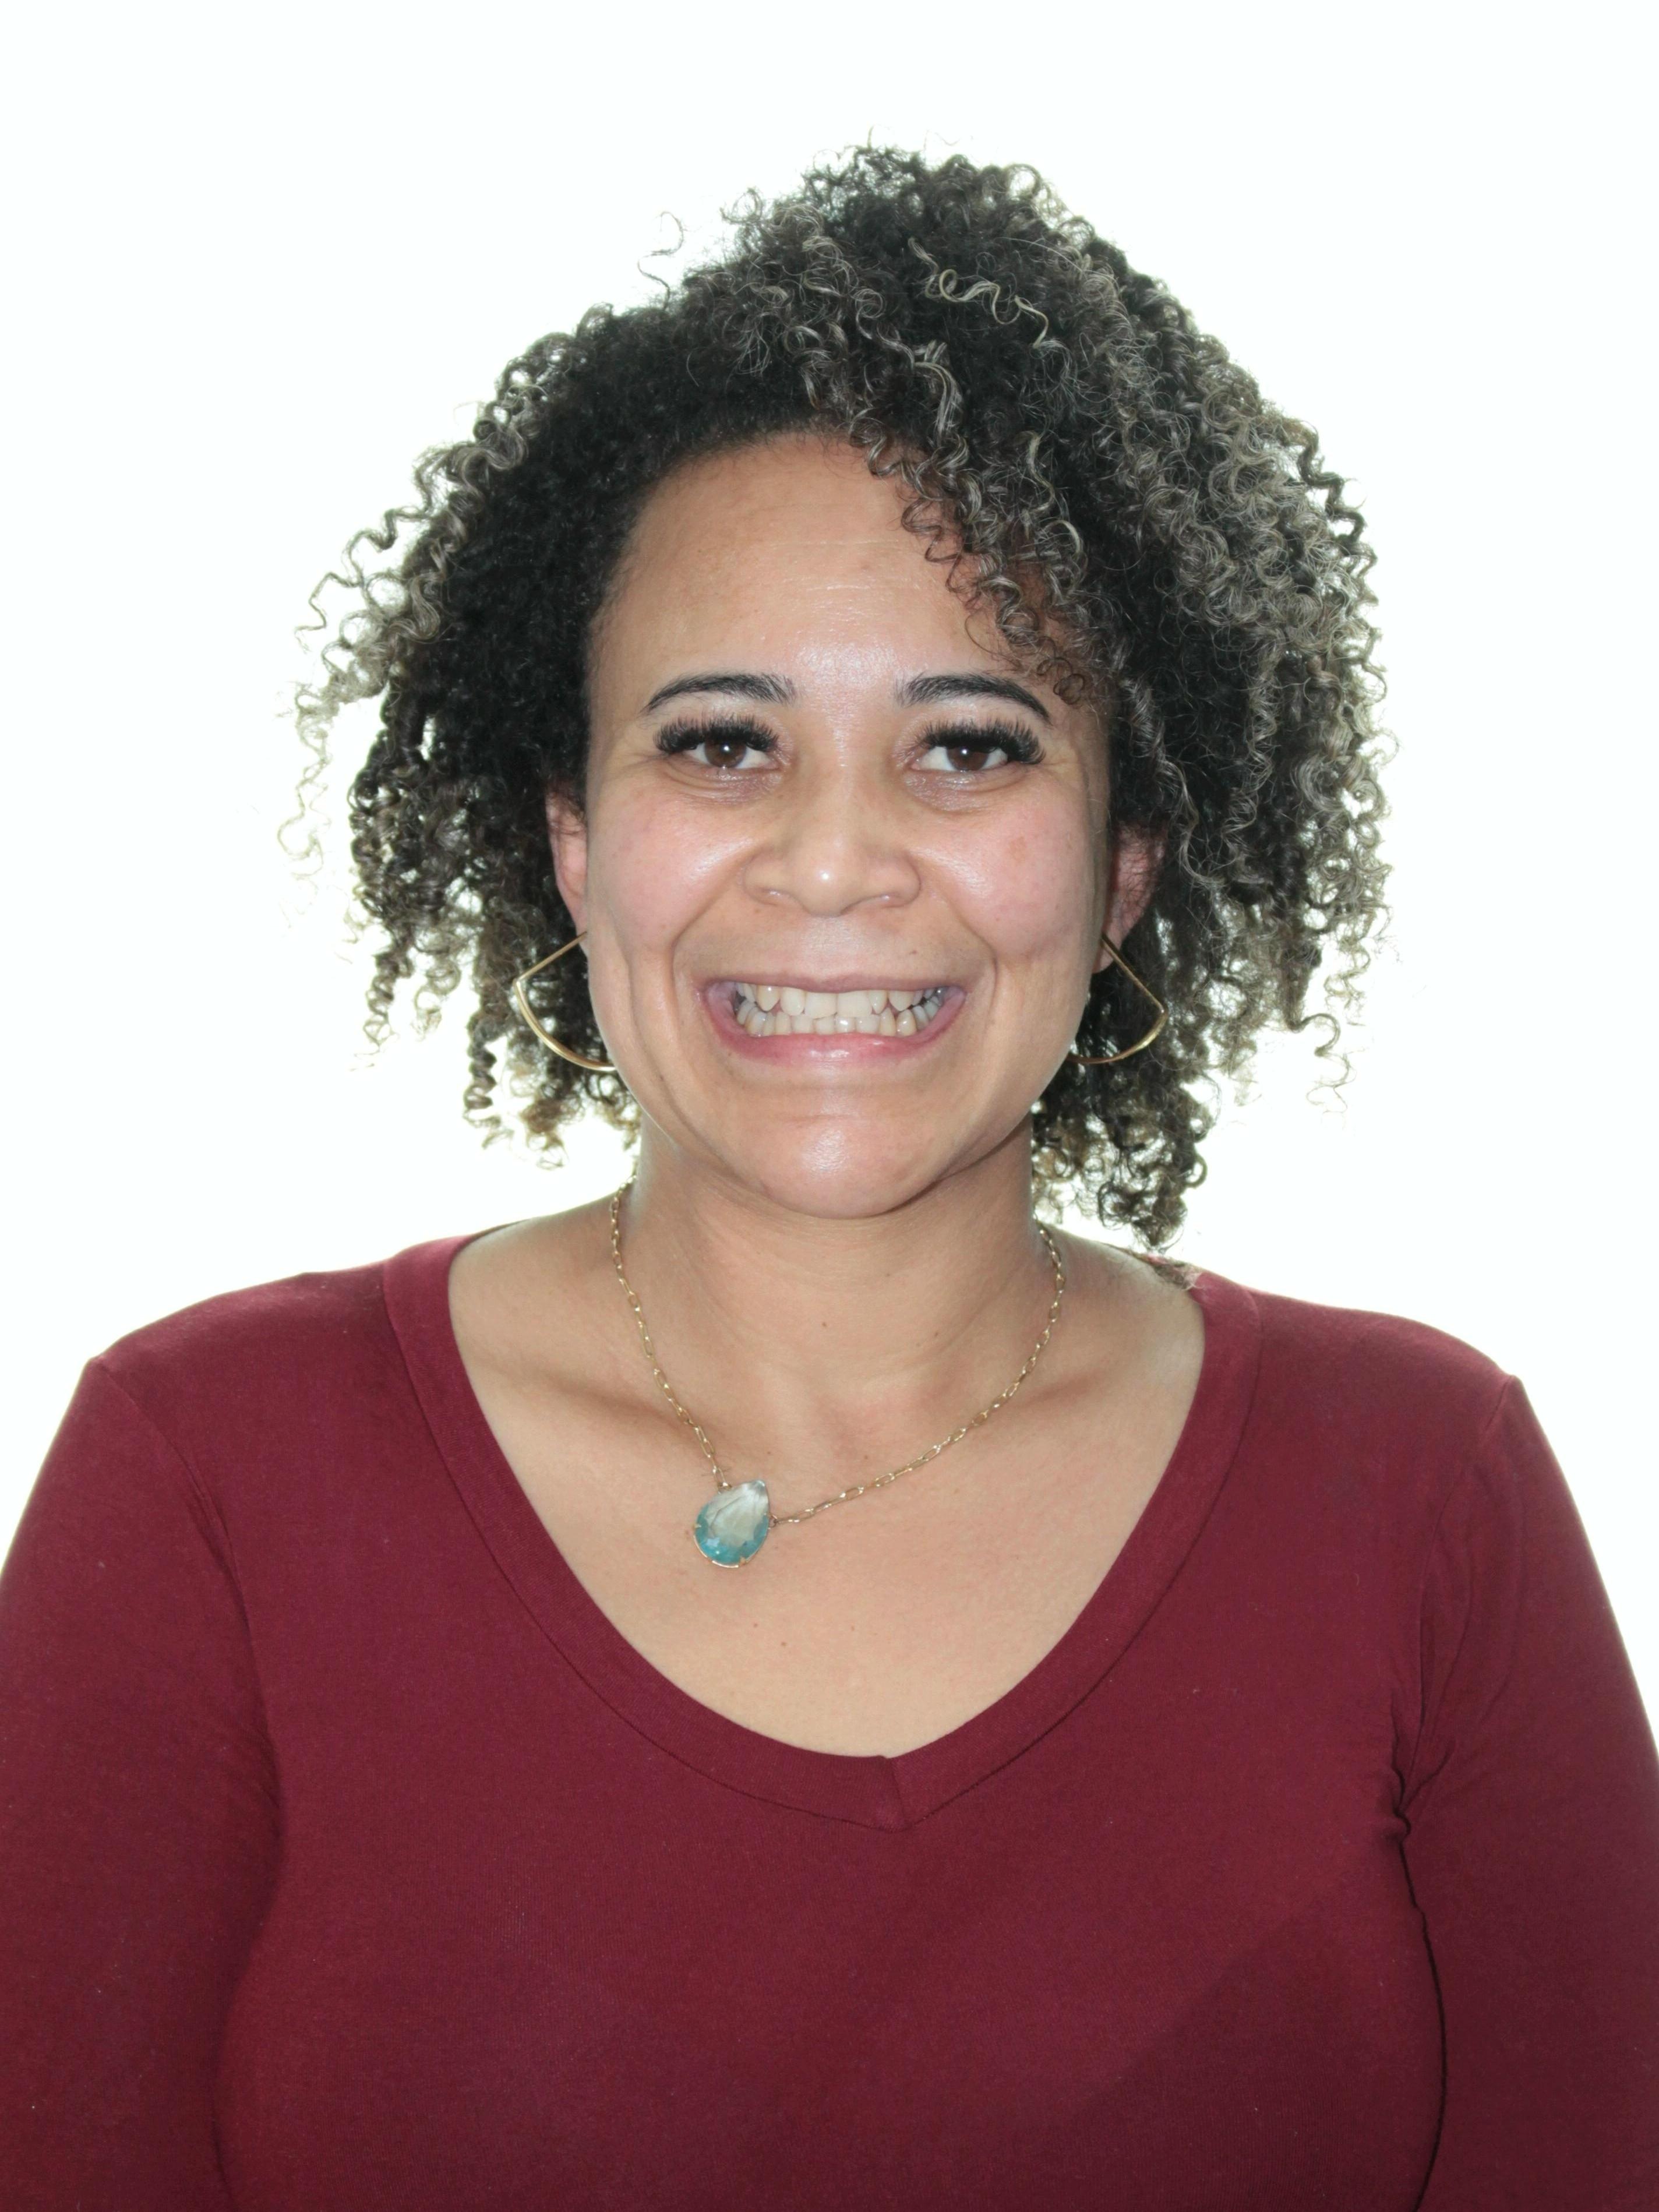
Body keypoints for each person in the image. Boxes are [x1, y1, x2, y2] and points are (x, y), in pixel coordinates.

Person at [1, 148, 1655, 2211]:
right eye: (722, 742)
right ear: (575, 836)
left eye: (970, 745)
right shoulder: (210, 1482)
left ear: (1126, 860)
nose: (837, 860)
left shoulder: (1423, 1494)